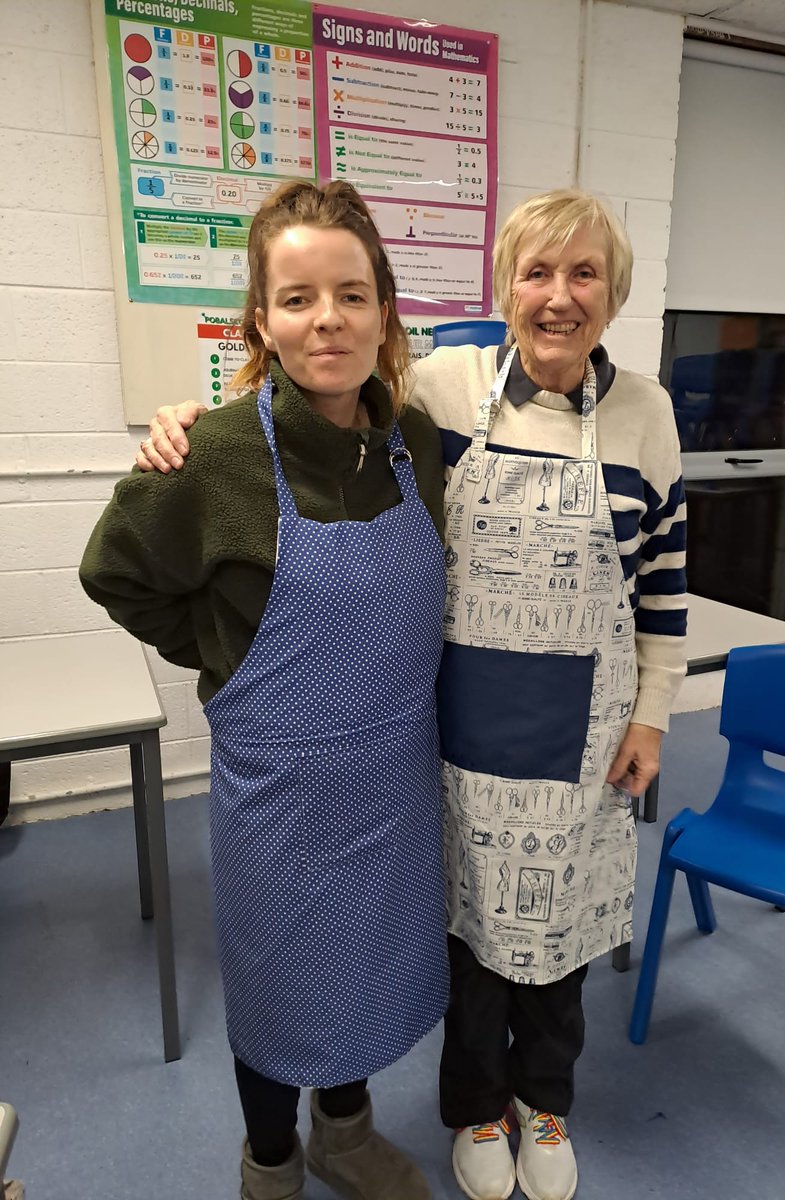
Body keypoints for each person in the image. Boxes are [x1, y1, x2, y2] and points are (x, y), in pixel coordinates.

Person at [137, 188, 688, 1200]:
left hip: (553, 736)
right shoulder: (439, 392)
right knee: (443, 941)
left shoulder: (641, 415)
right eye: (536, 271)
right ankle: (428, 1114)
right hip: (438, 735)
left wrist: (654, 709)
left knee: (522, 942)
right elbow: (292, 412)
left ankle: (524, 1103)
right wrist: (190, 418)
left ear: (614, 294)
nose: (559, 296)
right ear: (504, 286)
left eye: (584, 274)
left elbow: (663, 579)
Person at [80, 180, 450, 1200]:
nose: (326, 318)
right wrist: (221, 655)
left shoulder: (417, 443)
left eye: (351, 294)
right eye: (297, 298)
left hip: (392, 776)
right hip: (279, 790)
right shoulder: (213, 454)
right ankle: (272, 1160)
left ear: (384, 313)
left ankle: (346, 1132)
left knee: (366, 961)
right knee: (279, 979)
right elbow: (112, 571)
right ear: (261, 318)